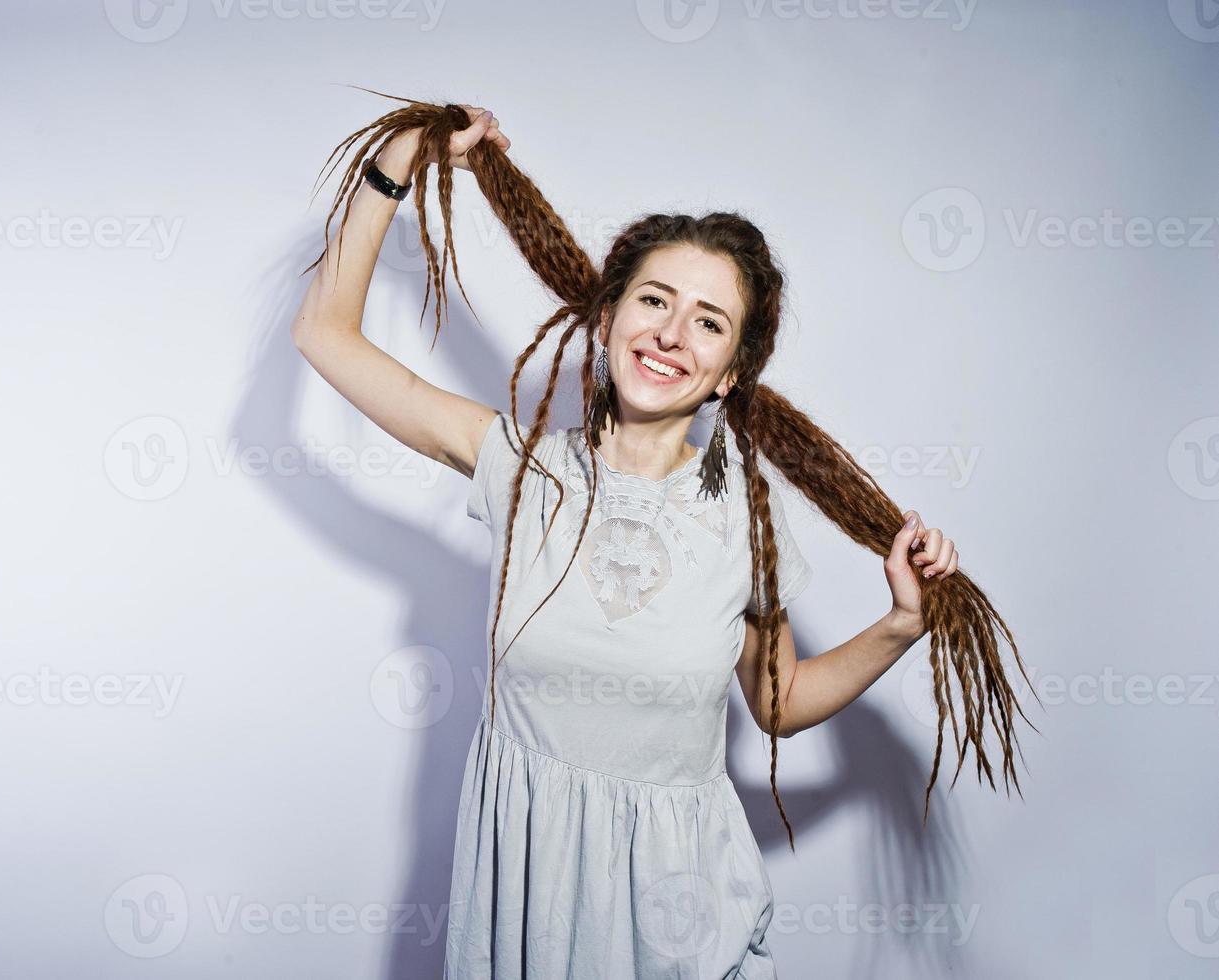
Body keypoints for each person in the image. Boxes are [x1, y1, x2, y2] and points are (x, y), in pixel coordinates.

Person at [291, 94, 1035, 979]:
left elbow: (778, 703)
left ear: (728, 375)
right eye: (654, 300)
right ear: (604, 320)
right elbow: (324, 334)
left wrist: (898, 627)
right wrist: (402, 162)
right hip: (526, 912)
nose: (672, 335)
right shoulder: (518, 467)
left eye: (709, 323)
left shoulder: (746, 521)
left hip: (684, 928)